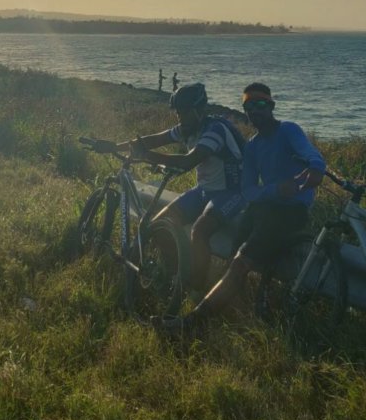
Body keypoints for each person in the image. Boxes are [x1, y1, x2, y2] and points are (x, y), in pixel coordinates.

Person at [154, 82, 326, 335]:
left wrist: (314, 170)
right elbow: (248, 190)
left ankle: (192, 323)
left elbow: (312, 154)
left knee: (240, 263)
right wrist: (276, 190)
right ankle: (231, 310)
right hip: (264, 209)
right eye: (248, 107)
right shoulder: (253, 145)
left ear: (271, 106)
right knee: (234, 257)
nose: (254, 111)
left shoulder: (288, 130)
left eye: (260, 104)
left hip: (290, 213)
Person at [122, 82, 248, 292]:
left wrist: (146, 156)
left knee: (200, 231)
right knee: (161, 223)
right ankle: (174, 277)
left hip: (232, 192)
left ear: (199, 110)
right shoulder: (189, 128)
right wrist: (113, 146)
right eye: (178, 113)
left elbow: (188, 161)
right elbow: (153, 140)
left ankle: (195, 291)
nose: (180, 117)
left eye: (184, 112)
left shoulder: (215, 130)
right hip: (204, 190)